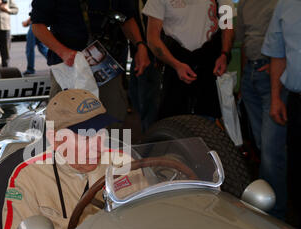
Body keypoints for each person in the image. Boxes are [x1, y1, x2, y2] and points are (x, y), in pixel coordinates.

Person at [0, 89, 140, 229]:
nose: (99, 146)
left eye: (102, 132)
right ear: (55, 139)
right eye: (87, 137)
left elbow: (149, 223)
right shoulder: (27, 178)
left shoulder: (124, 164)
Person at [30, 0, 150, 125]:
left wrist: (140, 45)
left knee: (112, 117)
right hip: (67, 67)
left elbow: (126, 19)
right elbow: (37, 25)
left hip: (106, 65)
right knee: (63, 122)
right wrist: (63, 52)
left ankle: (108, 144)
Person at [236, 0, 286, 221]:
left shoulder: (283, 3)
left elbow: (292, 39)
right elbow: (246, 42)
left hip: (271, 75)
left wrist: (281, 68)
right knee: (262, 147)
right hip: (251, 76)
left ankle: (274, 215)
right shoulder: (245, 4)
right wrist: (242, 80)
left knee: (271, 151)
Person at [143, 0, 235, 120]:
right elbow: (152, 38)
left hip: (209, 65)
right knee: (174, 123)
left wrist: (224, 54)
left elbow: (227, 25)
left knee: (209, 123)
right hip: (175, 62)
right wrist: (176, 65)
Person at [262, 0, 301, 229]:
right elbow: (278, 54)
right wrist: (276, 97)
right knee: (296, 172)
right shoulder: (286, 4)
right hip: (297, 103)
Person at [128, 0, 161, 133]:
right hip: (140, 52)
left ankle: (152, 138)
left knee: (149, 101)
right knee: (137, 96)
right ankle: (149, 135)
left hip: (154, 56)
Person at [0, 0, 18, 68]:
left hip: (5, 28)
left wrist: (7, 9)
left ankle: (5, 72)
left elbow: (16, 10)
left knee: (5, 54)